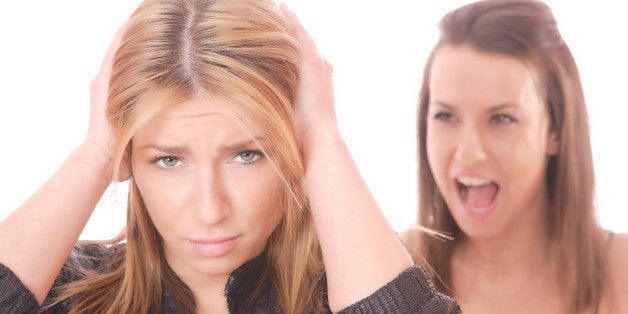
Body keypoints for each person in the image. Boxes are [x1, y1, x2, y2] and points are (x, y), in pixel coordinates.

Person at [0, 0, 461, 313]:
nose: (210, 210)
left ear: (292, 148)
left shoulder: (370, 283)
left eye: (246, 155)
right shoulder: (62, 292)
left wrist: (323, 138)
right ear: (129, 159)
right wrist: (96, 151)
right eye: (168, 160)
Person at [401, 0, 628, 313]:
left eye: (501, 119)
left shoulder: (620, 270)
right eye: (445, 116)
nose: (468, 152)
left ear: (556, 130)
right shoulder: (389, 271)